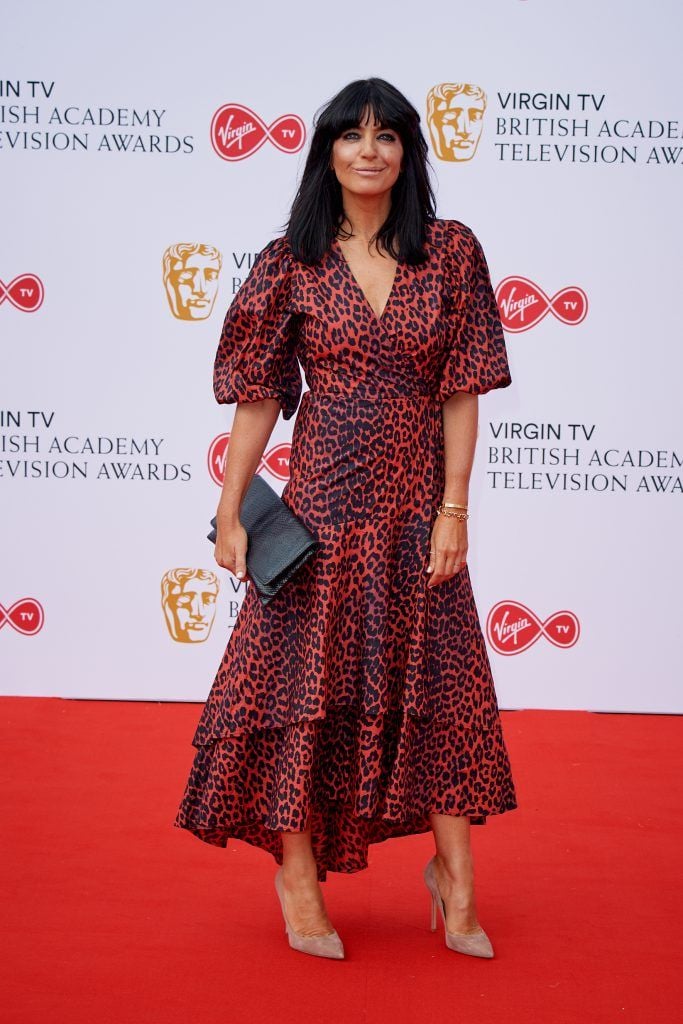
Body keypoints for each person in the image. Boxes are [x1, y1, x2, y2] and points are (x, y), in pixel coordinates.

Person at [174, 77, 517, 961]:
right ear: (326, 151)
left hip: (415, 515)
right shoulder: (290, 258)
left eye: (388, 136)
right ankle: (297, 877)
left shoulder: (449, 252)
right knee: (298, 699)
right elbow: (257, 398)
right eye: (351, 135)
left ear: (409, 152)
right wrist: (229, 511)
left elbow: (461, 390)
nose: (370, 150)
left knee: (442, 696)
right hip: (321, 516)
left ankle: (457, 883)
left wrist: (454, 509)